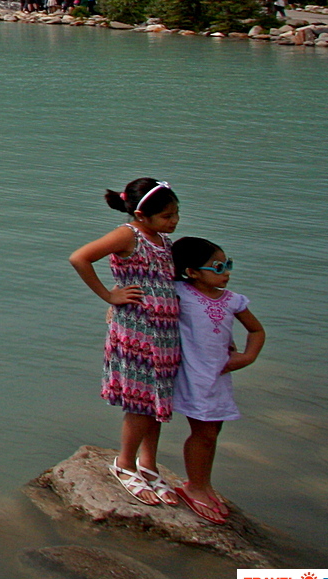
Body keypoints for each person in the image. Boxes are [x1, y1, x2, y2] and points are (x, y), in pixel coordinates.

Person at [68, 178, 183, 505]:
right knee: (140, 401)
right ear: (141, 215)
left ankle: (148, 464)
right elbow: (80, 258)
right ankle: (125, 463)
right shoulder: (127, 235)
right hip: (137, 330)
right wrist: (109, 295)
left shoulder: (161, 239)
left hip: (165, 333)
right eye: (166, 216)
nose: (174, 221)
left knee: (158, 401)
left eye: (176, 213)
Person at [167, 236, 266, 524]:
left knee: (213, 433)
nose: (226, 272)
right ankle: (194, 486)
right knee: (203, 433)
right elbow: (145, 293)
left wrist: (247, 357)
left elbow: (256, 331)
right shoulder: (180, 292)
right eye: (218, 267)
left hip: (219, 375)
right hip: (194, 375)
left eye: (227, 264)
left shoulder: (233, 300)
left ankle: (203, 484)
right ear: (192, 272)